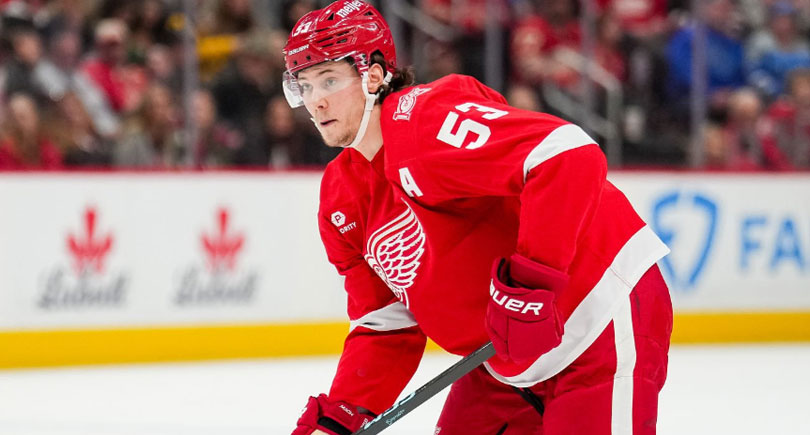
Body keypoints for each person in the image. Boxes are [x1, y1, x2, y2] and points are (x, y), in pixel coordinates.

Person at [283, 2, 672, 434]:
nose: (316, 101)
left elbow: (567, 154)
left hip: (598, 319)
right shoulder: (341, 198)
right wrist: (344, 413)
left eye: (329, 80)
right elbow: (385, 323)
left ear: (372, 76)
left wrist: (531, 284)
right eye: (304, 85)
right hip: (504, 362)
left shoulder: (423, 121)